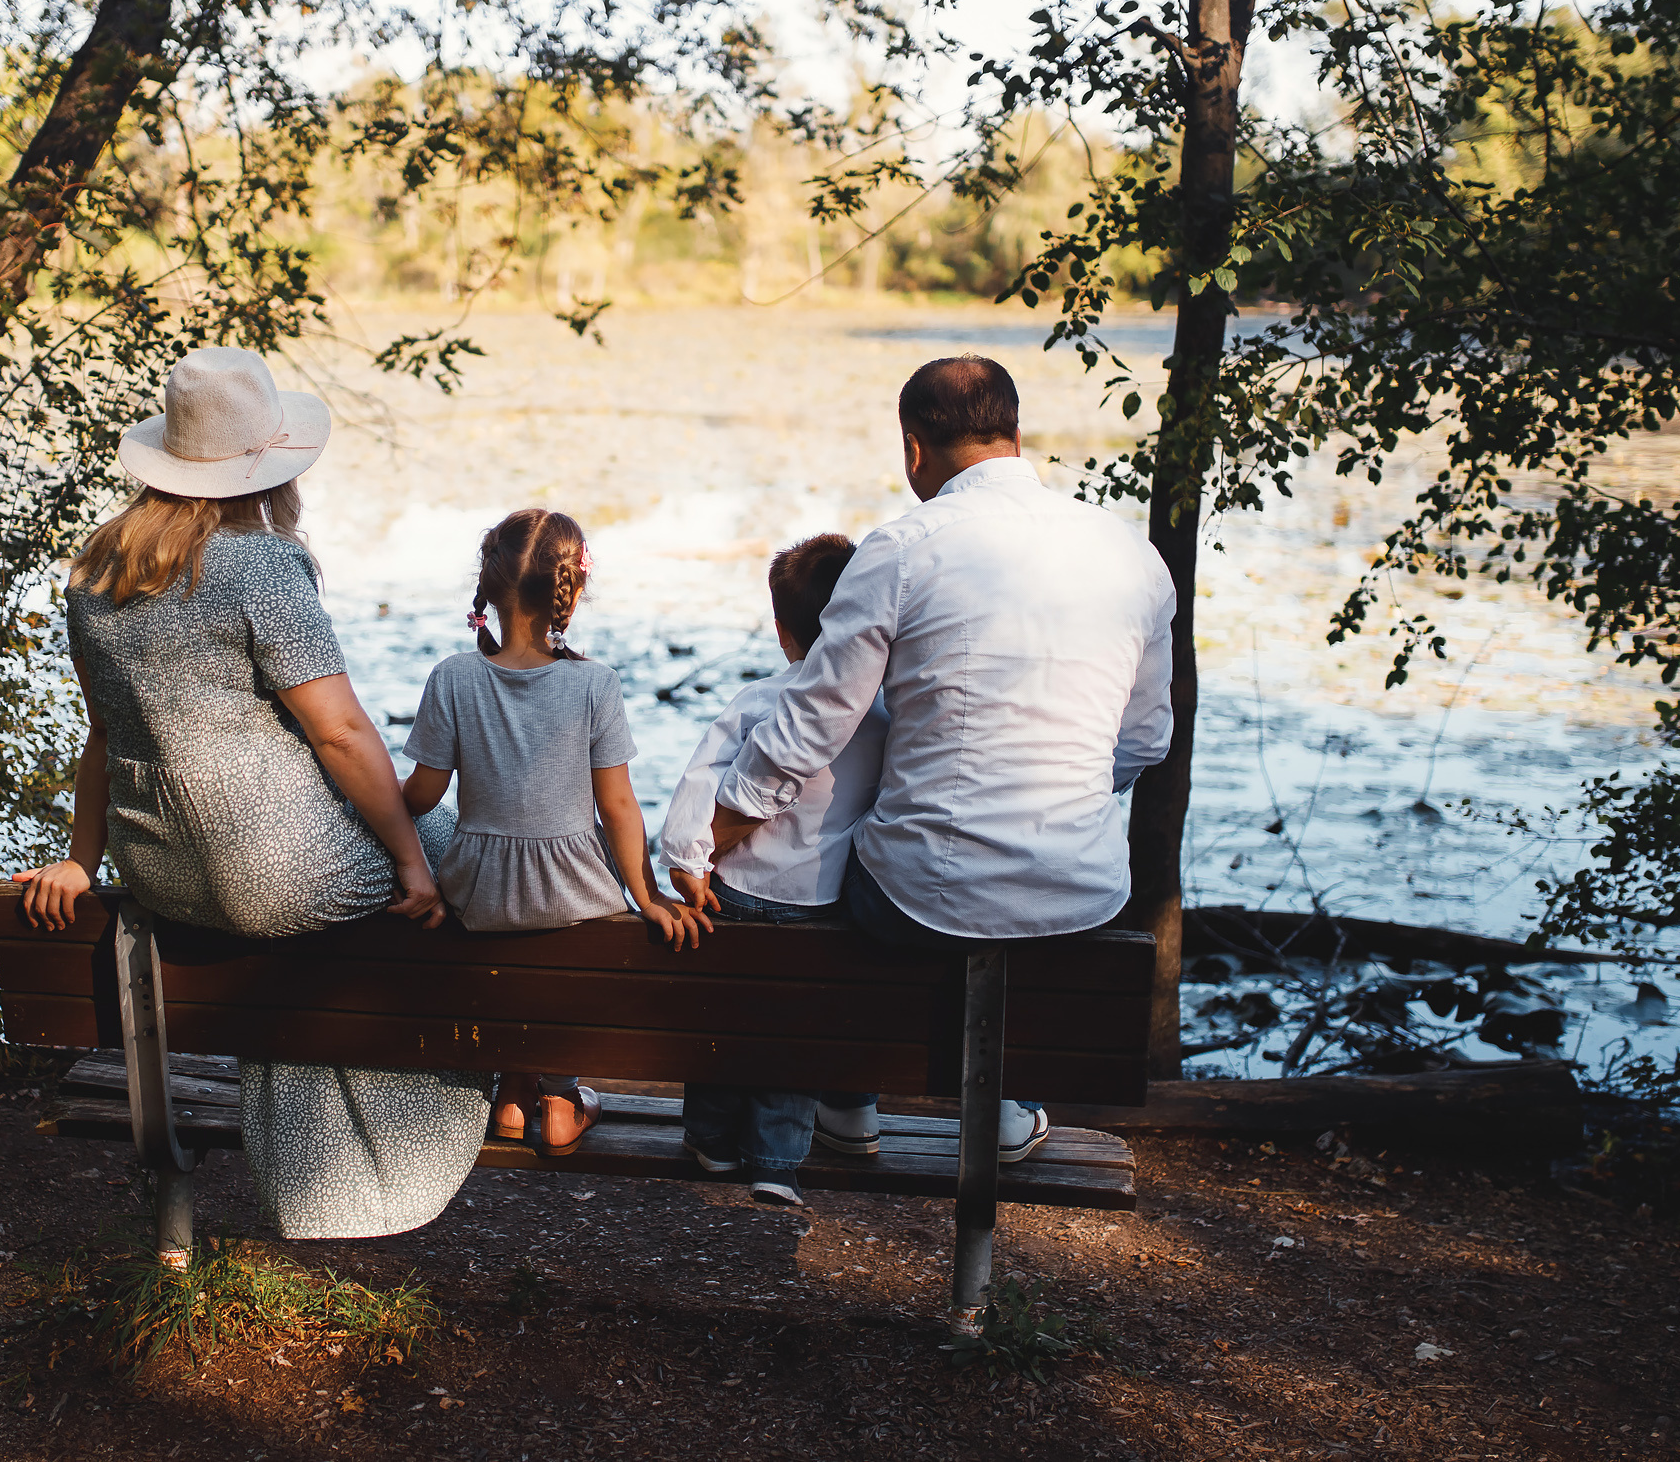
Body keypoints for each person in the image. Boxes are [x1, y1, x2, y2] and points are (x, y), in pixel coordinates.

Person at [13, 345, 489, 1241]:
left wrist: (82, 861)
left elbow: (105, 736)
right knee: (468, 842)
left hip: (163, 876)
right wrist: (412, 859)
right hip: (274, 875)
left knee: (329, 876)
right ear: (261, 467)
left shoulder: (97, 576)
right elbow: (343, 733)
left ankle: (316, 1156)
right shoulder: (263, 567)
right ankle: (510, 1089)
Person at [710, 355, 1176, 1163]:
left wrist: (713, 833)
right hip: (1083, 896)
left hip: (921, 902)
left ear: (912, 451)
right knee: (959, 897)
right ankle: (1002, 1106)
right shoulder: (1131, 554)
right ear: (1018, 435)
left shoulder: (897, 551)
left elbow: (812, 726)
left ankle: (849, 1100)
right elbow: (1144, 740)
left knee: (843, 871)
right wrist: (1053, 802)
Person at [399, 508, 710, 1155]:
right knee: (562, 935)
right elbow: (620, 805)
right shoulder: (595, 683)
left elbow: (423, 795)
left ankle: (512, 1090)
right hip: (575, 891)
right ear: (571, 587)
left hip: (481, 891)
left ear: (488, 582)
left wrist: (379, 801)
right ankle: (562, 1095)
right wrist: (647, 895)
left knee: (503, 928)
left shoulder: (455, 676)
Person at [657, 533, 888, 1207]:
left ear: (785, 632)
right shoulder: (879, 717)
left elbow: (698, 789)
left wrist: (687, 864)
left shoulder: (759, 699)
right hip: (818, 903)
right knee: (796, 1028)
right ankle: (776, 1161)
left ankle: (711, 1139)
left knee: (721, 1018)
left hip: (734, 895)